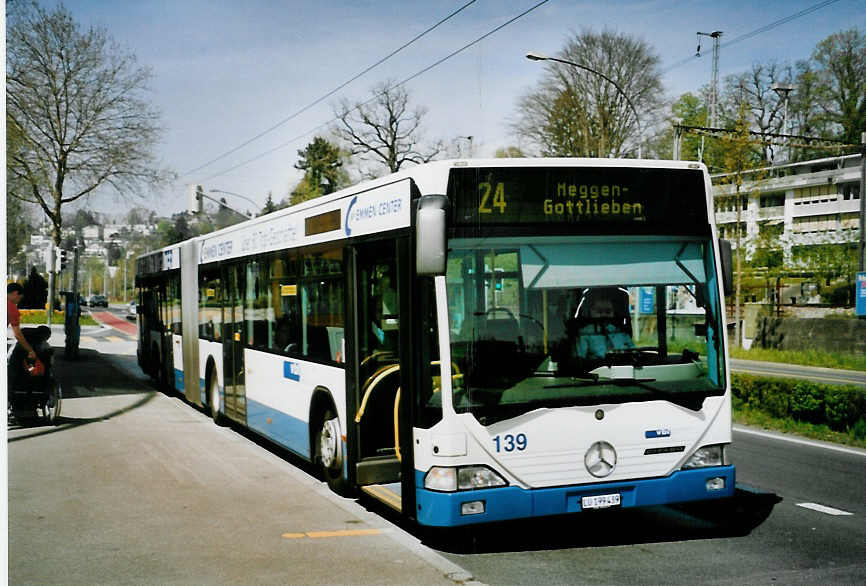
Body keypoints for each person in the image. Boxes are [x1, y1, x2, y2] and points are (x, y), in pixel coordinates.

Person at [573, 287, 635, 363]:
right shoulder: (584, 334)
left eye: (608, 311)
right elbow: (580, 359)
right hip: (596, 370)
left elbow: (633, 352)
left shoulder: (621, 332)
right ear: (590, 312)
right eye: (599, 311)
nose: (603, 315)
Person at [8, 282, 37, 361]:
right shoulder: (11, 307)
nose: (19, 301)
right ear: (15, 293)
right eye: (19, 298)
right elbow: (17, 334)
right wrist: (30, 350)